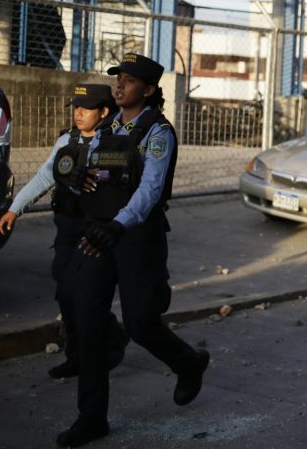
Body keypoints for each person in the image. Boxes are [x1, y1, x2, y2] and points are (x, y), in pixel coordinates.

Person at [57, 54, 209, 448]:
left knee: (141, 323)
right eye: (118, 78)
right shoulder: (106, 128)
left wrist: (118, 225)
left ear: (149, 89)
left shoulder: (157, 132)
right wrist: (76, 177)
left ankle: (189, 363)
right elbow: (93, 175)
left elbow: (150, 190)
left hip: (136, 237)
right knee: (89, 321)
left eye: (128, 80)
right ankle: (92, 418)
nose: (120, 85)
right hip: (99, 233)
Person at [0, 84, 128, 380]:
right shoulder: (67, 140)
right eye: (75, 107)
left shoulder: (116, 141)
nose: (78, 113)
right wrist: (15, 209)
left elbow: (122, 174)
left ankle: (106, 343)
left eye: (86, 108)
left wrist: (96, 173)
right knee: (66, 292)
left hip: (96, 229)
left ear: (103, 112)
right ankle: (78, 355)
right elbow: (45, 176)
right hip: (67, 226)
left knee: (86, 293)